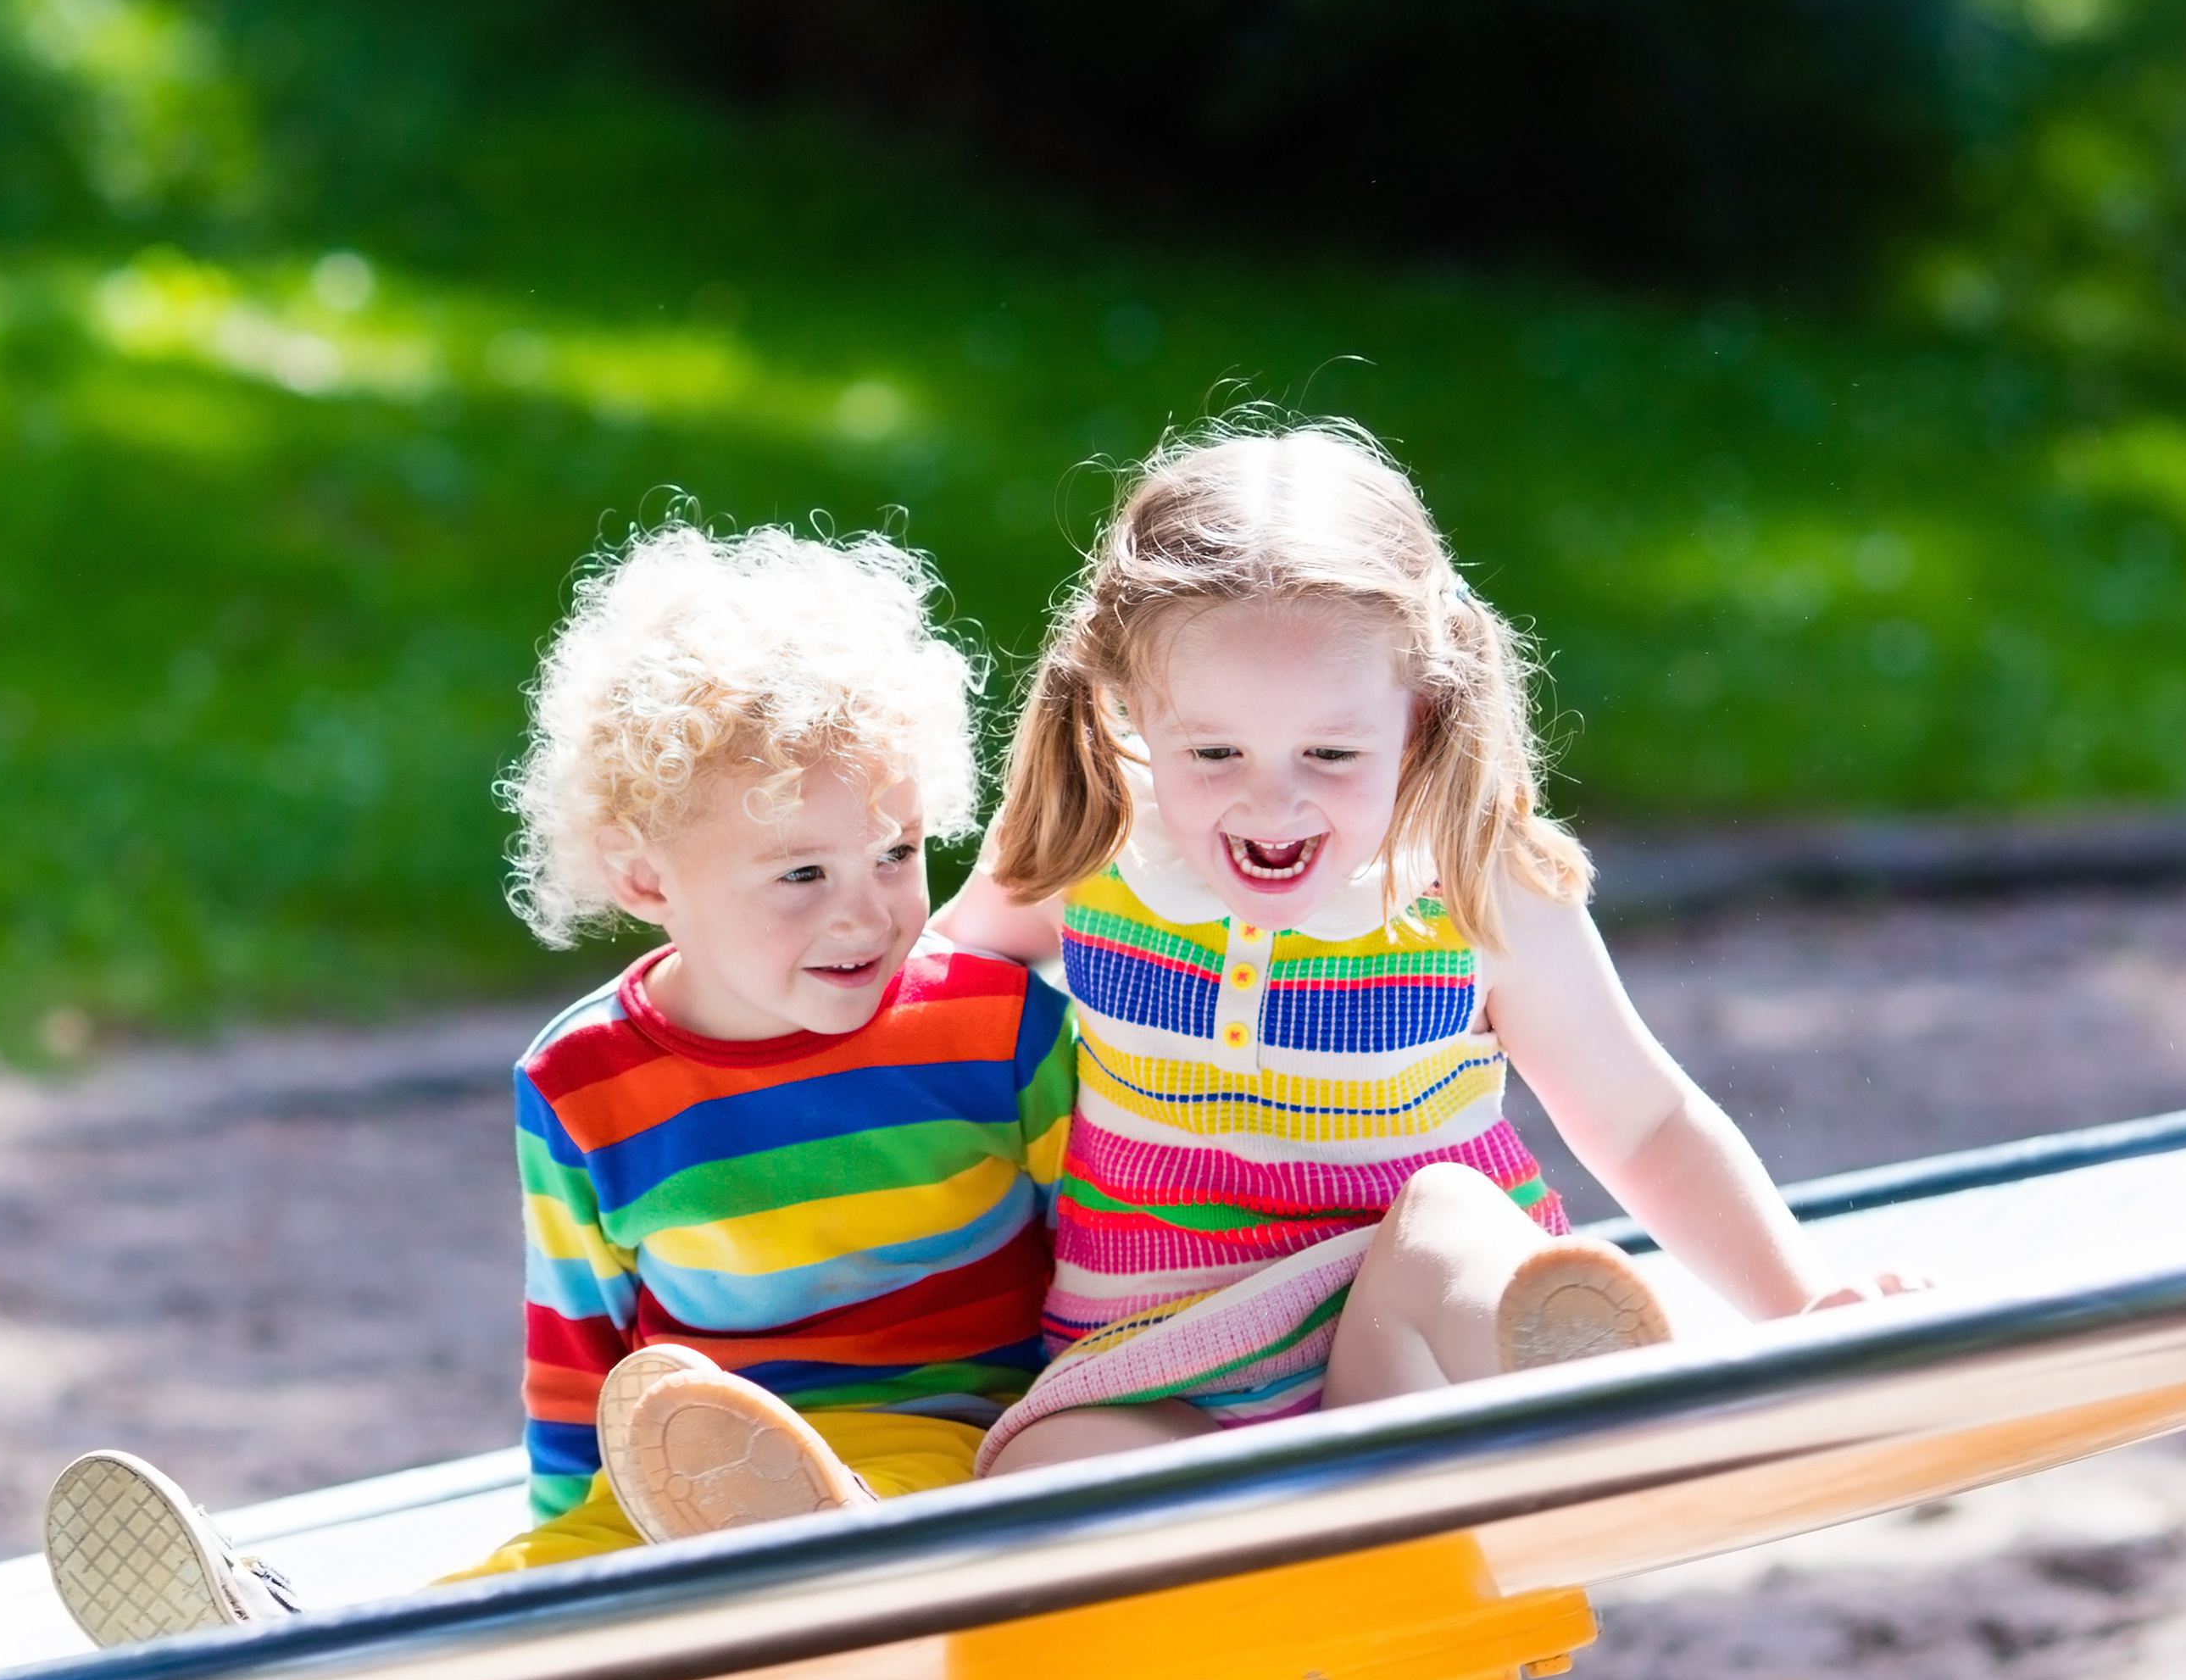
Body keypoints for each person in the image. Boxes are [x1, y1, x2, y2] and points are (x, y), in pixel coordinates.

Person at [615, 418, 1920, 1505]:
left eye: (1331, 756)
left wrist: (1800, 1304)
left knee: (1452, 1225)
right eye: (1215, 753)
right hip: (1151, 1357)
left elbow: (1643, 1117)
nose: (1271, 801)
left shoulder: (1471, 881)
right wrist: (735, 987)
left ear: (1423, 707)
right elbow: (922, 1003)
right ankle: (865, 1549)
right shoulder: (1091, 848)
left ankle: (1571, 1382)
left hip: (1390, 1352)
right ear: (1130, 711)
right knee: (1049, 1485)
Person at [41, 522, 1075, 1646]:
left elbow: (1101, 1254)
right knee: (523, 1590)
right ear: (644, 873)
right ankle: (281, 1637)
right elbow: (579, 1343)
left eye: (895, 850)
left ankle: (835, 1542)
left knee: (901, 1492)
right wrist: (568, 1532)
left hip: (942, 1444)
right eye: (802, 873)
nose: (867, 909)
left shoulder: (995, 1025)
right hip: (684, 1474)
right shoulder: (586, 1079)